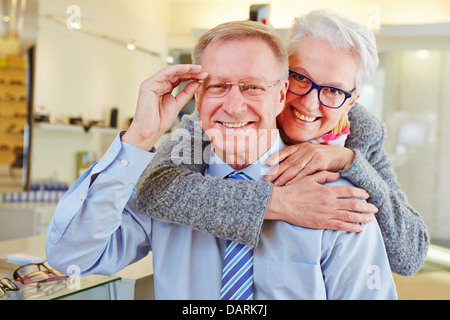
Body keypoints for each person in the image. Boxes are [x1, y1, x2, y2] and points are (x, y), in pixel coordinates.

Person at [46, 20, 397, 299]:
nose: (232, 106)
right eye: (217, 86)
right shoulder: (166, 190)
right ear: (197, 98)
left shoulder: (335, 201)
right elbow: (71, 256)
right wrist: (139, 136)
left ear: (281, 96)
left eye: (253, 87)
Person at [137, 10, 428, 277]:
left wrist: (347, 160)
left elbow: (409, 256)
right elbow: (156, 188)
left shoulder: (361, 136)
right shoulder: (226, 117)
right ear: (280, 79)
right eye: (300, 78)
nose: (310, 104)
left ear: (351, 101)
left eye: (333, 90)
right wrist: (278, 202)